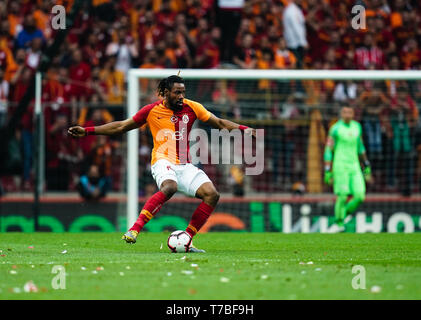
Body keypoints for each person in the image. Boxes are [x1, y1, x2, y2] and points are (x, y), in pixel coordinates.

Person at [68, 75, 256, 252]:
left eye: (183, 92)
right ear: (166, 92)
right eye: (177, 92)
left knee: (212, 195)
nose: (181, 96)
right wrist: (87, 131)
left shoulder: (193, 107)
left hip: (185, 165)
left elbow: (220, 123)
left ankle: (186, 239)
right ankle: (134, 229)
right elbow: (121, 126)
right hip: (162, 161)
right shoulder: (151, 110)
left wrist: (242, 128)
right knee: (170, 187)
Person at [324, 106, 372, 231]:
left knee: (360, 196)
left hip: (354, 165)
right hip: (340, 165)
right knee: (343, 195)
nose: (347, 114)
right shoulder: (335, 129)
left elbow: (360, 148)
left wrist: (366, 166)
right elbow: (328, 150)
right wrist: (327, 170)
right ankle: (340, 224)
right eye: (345, 112)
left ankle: (341, 214)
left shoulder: (357, 127)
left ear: (353, 113)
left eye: (349, 112)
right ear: (341, 114)